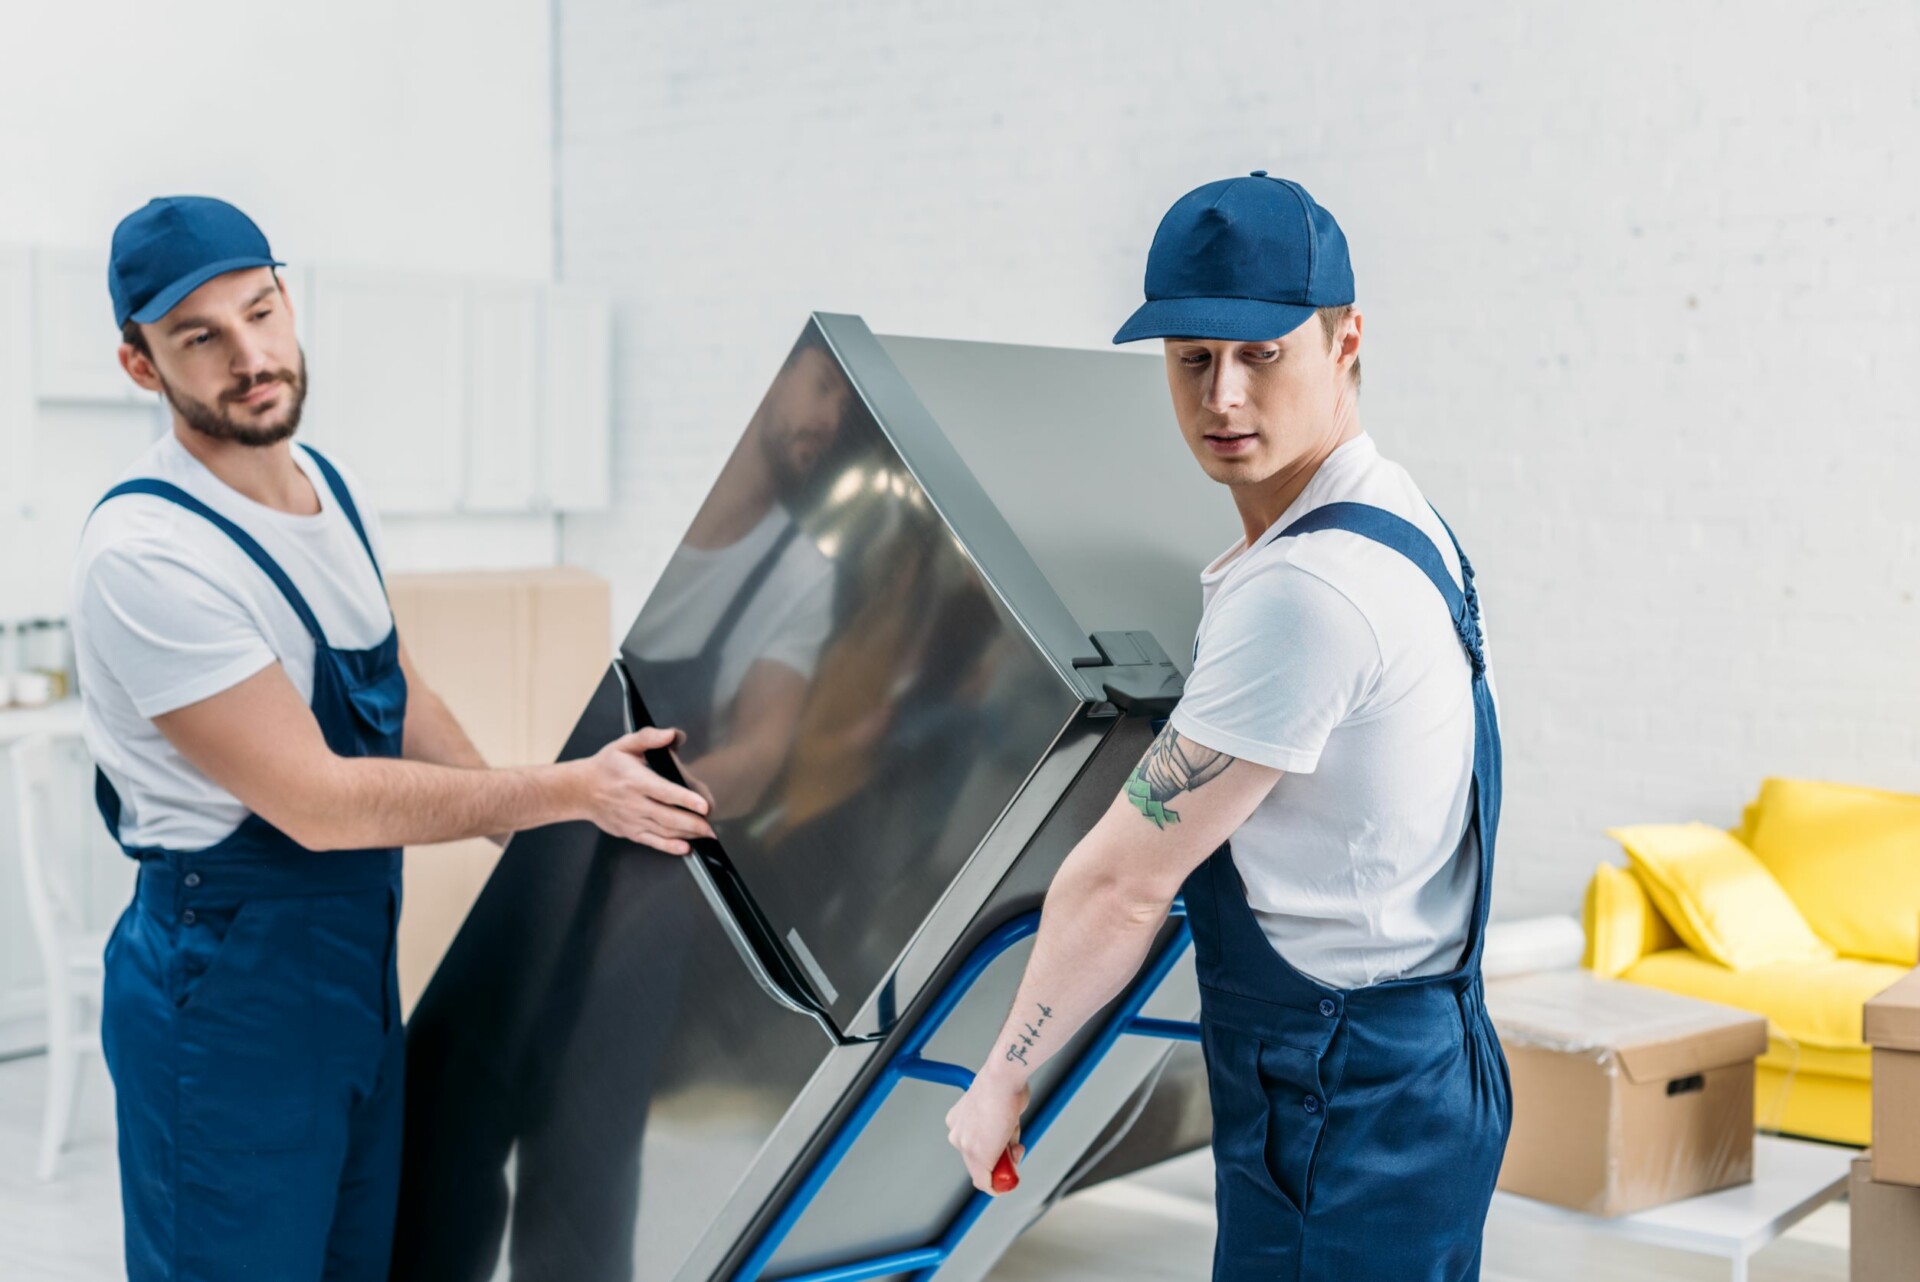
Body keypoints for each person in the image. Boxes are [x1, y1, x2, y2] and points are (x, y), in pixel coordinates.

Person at [73, 195, 711, 1282]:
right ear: (142, 366)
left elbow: (393, 685)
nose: (251, 355)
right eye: (201, 337)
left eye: (261, 312)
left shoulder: (325, 491)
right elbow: (320, 802)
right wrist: (564, 794)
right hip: (228, 991)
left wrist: (538, 851)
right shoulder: (147, 555)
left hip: (352, 972)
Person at [944, 173, 1512, 1280]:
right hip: (1419, 1066)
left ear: (1346, 340)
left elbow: (1122, 882)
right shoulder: (1399, 515)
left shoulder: (1306, 591)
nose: (1224, 398)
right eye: (1192, 359)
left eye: (1263, 356)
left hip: (1339, 1107)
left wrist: (1003, 1074)